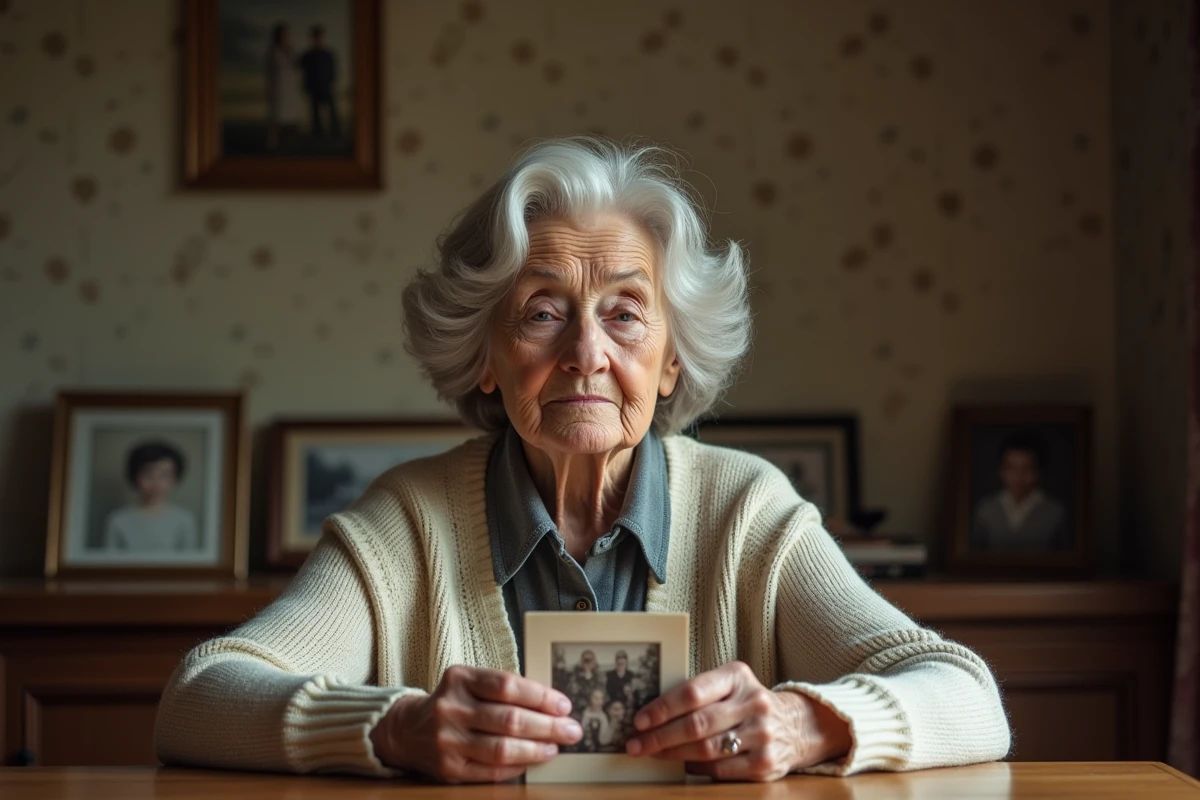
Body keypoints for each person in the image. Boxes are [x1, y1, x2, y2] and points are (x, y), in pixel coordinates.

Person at [155, 137, 1009, 783]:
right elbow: (199, 699)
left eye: (627, 314)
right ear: (484, 356)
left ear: (672, 360)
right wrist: (395, 728)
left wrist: (807, 721)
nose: (587, 353)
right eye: (541, 312)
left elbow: (969, 698)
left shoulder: (749, 511)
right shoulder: (405, 523)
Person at [971, 431, 1068, 550]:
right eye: (1011, 468)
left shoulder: (1056, 513)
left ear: (1039, 472)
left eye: (1027, 469)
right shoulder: (985, 510)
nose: (1018, 477)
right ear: (1001, 471)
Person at [103, 440, 197, 553]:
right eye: (148, 475)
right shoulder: (117, 519)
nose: (156, 482)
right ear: (135, 477)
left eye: (164, 475)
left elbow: (189, 562)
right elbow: (110, 562)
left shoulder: (184, 519)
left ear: (174, 479)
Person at [264, 23, 304, 150]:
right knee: (276, 119)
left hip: (291, 91)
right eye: (283, 34)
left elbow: (297, 69)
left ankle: (290, 146)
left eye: (287, 34)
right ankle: (272, 146)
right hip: (279, 90)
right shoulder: (273, 51)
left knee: (292, 121)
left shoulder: (291, 51)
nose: (286, 37)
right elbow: (272, 71)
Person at [299, 25, 339, 137]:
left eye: (320, 37)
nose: (318, 39)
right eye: (316, 37)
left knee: (332, 111)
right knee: (315, 112)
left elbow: (333, 71)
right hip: (314, 88)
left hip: (326, 86)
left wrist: (332, 83)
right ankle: (317, 132)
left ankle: (335, 131)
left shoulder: (328, 54)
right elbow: (302, 69)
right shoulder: (308, 55)